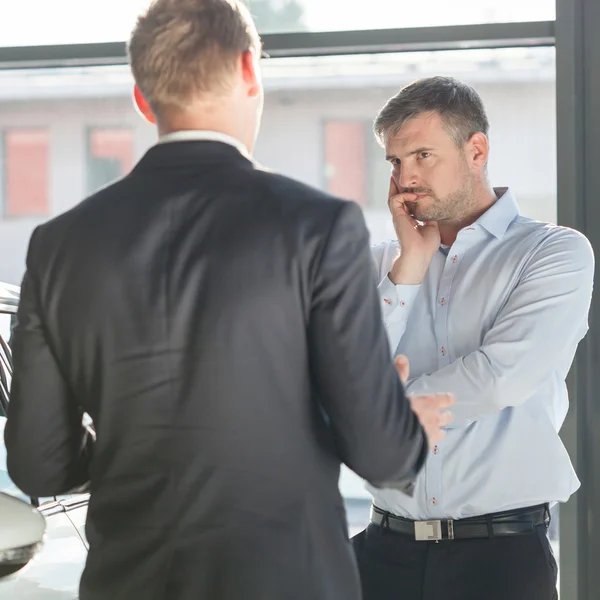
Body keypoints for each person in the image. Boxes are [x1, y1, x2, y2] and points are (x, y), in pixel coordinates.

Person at [4, 2, 454, 600]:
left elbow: (39, 466)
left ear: (143, 98)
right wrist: (403, 427)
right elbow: (382, 454)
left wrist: (129, 446)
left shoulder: (57, 245)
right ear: (249, 68)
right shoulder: (319, 226)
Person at [352, 76, 595, 600]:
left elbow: (498, 378)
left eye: (422, 155)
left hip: (500, 560)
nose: (406, 177)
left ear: (476, 150)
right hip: (381, 551)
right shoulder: (379, 262)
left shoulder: (552, 253)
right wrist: (408, 270)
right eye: (395, 162)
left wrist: (376, 412)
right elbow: (346, 370)